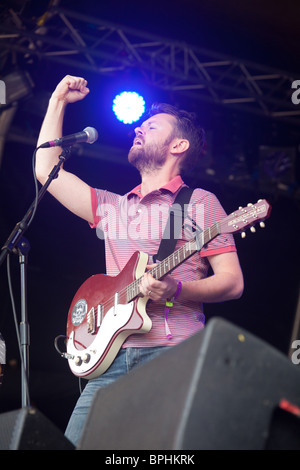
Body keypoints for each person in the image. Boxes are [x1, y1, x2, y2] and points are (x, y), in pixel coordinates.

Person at [36, 75, 244, 446]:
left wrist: (175, 288)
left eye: (151, 126)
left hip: (171, 355)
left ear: (178, 145)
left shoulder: (199, 202)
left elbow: (232, 282)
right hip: (109, 358)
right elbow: (46, 171)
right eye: (140, 124)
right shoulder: (115, 205)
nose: (138, 127)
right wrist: (57, 101)